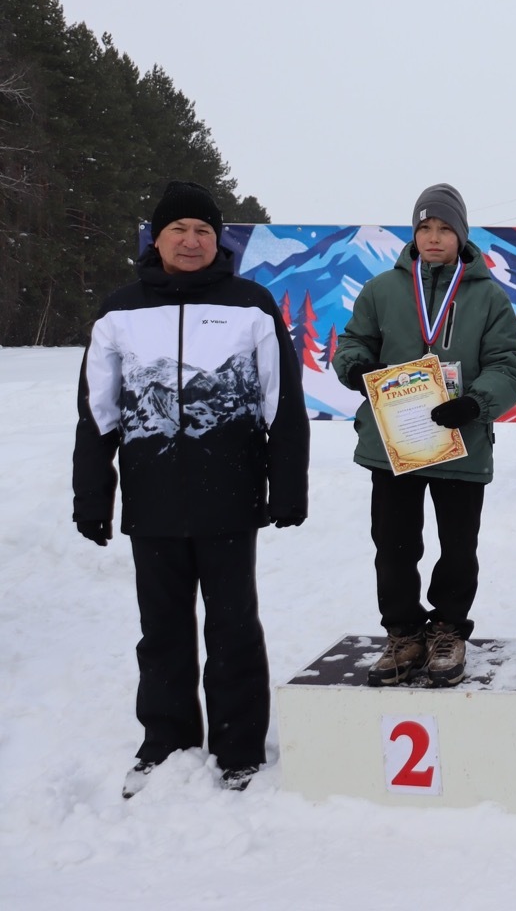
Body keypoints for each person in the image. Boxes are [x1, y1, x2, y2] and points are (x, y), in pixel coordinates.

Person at [72, 180, 310, 797]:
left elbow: (282, 403)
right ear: (157, 238)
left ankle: (238, 749)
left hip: (229, 496)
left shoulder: (251, 304)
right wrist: (92, 494)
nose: (191, 240)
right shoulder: (120, 310)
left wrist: (287, 484)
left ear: (217, 241)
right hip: (151, 498)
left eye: (203, 230)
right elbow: (98, 412)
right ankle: (167, 742)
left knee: (233, 627)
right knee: (162, 630)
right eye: (178, 229)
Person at [334, 184, 516, 688]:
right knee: (394, 546)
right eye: (425, 228)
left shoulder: (488, 296)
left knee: (458, 548)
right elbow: (353, 342)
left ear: (461, 235)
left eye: (444, 228)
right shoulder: (382, 290)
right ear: (414, 233)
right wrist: (355, 368)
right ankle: (403, 634)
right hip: (394, 444)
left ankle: (447, 631)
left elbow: (509, 365)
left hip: (461, 442)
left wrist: (476, 403)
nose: (434, 237)